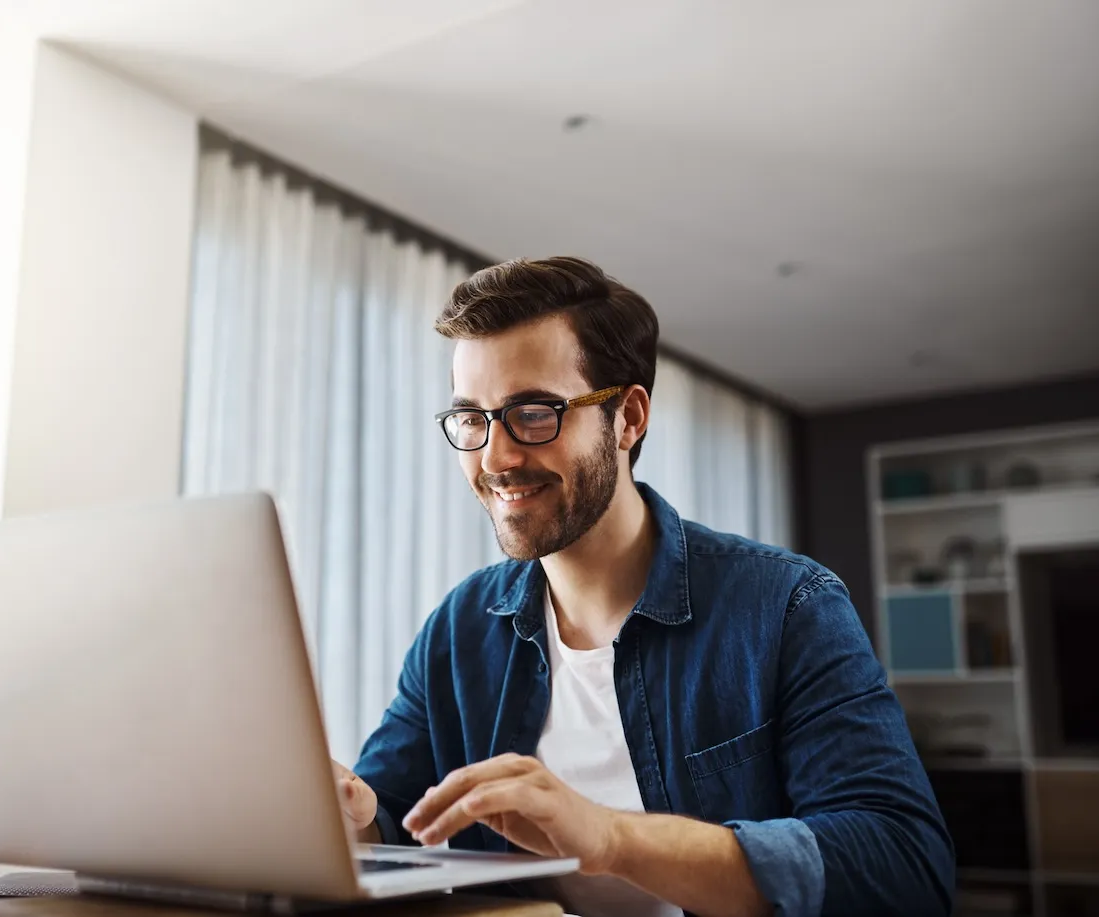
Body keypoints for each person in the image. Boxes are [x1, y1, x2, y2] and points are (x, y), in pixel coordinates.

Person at [330, 257, 954, 917]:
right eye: (472, 419)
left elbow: (904, 864)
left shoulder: (788, 606)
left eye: (534, 413)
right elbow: (393, 824)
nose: (495, 457)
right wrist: (351, 816)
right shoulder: (460, 628)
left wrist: (612, 837)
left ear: (628, 418)